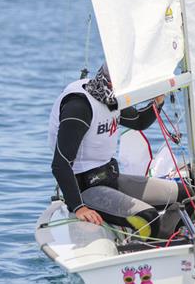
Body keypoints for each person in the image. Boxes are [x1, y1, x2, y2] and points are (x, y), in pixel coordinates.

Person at [48, 63, 187, 239]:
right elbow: (60, 164)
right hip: (85, 189)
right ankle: (146, 255)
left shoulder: (111, 97)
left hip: (110, 178)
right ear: (113, 82)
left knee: (184, 194)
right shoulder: (79, 108)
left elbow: (138, 121)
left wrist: (158, 101)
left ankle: (174, 240)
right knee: (148, 218)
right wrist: (78, 207)